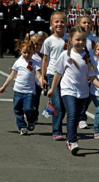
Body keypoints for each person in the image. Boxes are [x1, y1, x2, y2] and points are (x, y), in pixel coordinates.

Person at [47, 26, 99, 155]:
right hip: (68, 90)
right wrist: (52, 89)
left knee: (77, 115)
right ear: (70, 40)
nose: (80, 42)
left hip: (83, 91)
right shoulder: (65, 55)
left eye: (83, 40)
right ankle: (72, 140)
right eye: (77, 39)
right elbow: (58, 73)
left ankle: (71, 137)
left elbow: (92, 76)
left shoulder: (89, 56)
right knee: (72, 114)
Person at [0, 40, 42, 135]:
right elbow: (11, 75)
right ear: (20, 51)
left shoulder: (35, 63)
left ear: (33, 52)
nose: (26, 55)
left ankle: (31, 120)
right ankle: (22, 126)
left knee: (28, 109)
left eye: (29, 53)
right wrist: (4, 87)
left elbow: (38, 75)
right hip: (18, 91)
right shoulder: (18, 62)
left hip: (29, 91)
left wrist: (42, 83)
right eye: (24, 52)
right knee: (17, 110)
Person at [41, 11, 68, 141]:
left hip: (67, 75)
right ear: (52, 24)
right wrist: (43, 77)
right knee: (57, 103)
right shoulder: (48, 41)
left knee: (64, 106)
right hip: (52, 74)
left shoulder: (69, 39)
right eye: (56, 22)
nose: (59, 24)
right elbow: (45, 60)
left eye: (62, 22)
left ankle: (57, 121)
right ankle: (57, 131)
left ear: (66, 23)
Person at [76, 15, 98, 128]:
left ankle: (82, 117)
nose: (87, 25)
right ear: (79, 24)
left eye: (89, 23)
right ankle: (78, 115)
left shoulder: (94, 39)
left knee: (88, 95)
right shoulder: (75, 38)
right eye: (84, 23)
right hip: (78, 68)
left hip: (90, 69)